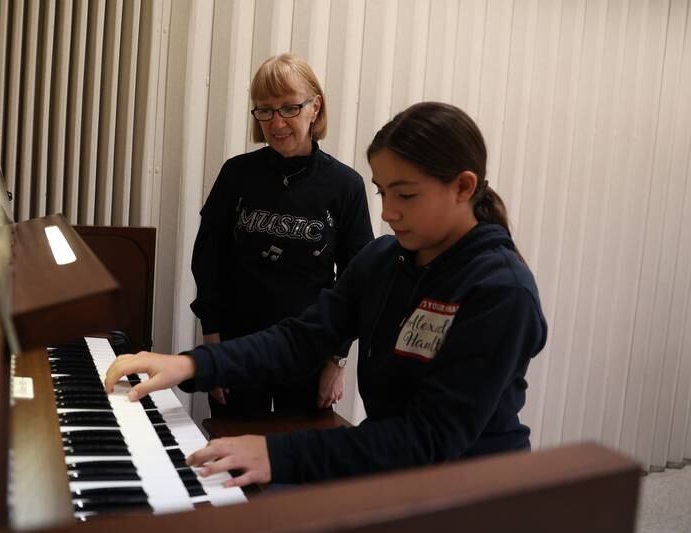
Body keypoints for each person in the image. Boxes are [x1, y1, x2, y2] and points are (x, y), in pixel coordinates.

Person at [105, 101, 548, 487]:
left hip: (474, 495)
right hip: (397, 475)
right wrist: (190, 364)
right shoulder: (383, 260)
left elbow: (429, 439)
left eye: (406, 195)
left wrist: (279, 456)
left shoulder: (500, 291)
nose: (388, 212)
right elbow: (301, 339)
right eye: (382, 191)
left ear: (463, 187)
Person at [190, 53, 373, 416]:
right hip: (238, 348)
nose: (276, 123)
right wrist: (213, 349)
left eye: (289, 108)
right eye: (265, 110)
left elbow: (358, 281)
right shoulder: (236, 175)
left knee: (301, 462)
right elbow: (208, 263)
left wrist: (336, 361)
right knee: (235, 460)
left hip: (309, 351)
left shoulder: (345, 186)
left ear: (314, 107)